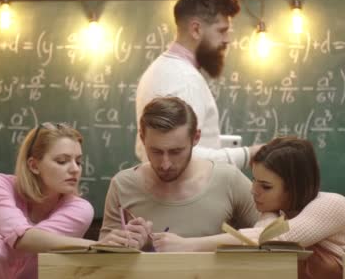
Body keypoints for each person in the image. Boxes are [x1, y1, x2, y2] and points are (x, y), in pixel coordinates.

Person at [0, 122, 149, 279]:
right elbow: (24, 241)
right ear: (33, 165)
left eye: (78, 161)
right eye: (62, 161)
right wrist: (95, 245)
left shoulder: (80, 209)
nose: (75, 170)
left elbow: (18, 246)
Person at [101, 96, 258, 249]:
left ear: (195, 138)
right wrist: (126, 244)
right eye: (156, 151)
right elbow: (102, 262)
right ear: (142, 138)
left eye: (176, 151)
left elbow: (271, 236)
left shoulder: (228, 180)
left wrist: (191, 245)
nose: (165, 164)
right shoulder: (122, 186)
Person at [135, 0, 259, 170]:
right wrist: (248, 155)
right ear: (196, 30)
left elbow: (144, 149)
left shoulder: (160, 69)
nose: (227, 39)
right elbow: (184, 154)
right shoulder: (184, 80)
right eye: (222, 30)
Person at [242, 136, 345, 279]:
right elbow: (261, 249)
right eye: (254, 180)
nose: (253, 190)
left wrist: (218, 241)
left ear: (294, 186)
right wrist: (268, 214)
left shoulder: (332, 204)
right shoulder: (280, 213)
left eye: (266, 187)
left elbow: (271, 241)